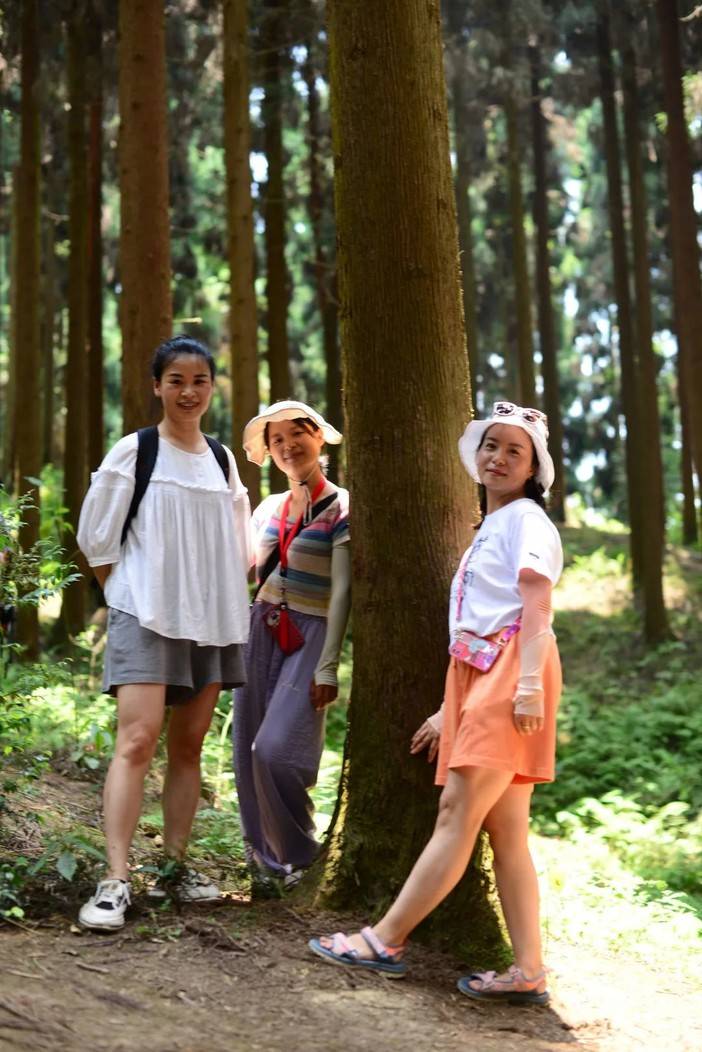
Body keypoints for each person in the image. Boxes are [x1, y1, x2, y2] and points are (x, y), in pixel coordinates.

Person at [308, 400, 563, 1005]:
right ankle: (528, 970)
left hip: (513, 670)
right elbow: (486, 616)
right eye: (491, 446)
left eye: (515, 451)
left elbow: (535, 605)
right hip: (485, 673)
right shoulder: (494, 524)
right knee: (506, 830)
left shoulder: (528, 521)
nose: (499, 458)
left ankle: (383, 940)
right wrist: (452, 709)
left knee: (456, 812)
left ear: (533, 468)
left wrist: (527, 687)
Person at [76, 335, 251, 930]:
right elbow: (97, 537)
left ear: (212, 388)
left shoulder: (222, 460)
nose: (188, 391)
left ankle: (174, 868)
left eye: (199, 381)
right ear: (157, 386)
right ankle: (115, 880)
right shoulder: (137, 450)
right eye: (176, 380)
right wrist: (126, 594)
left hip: (210, 618)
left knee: (189, 745)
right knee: (137, 740)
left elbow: (236, 545)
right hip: (145, 612)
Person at [233, 400, 350, 894]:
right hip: (260, 628)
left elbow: (343, 590)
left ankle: (299, 853)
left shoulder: (342, 506)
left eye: (295, 434)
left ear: (317, 436)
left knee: (276, 749)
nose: (287, 446)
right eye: (276, 440)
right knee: (246, 751)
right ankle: (263, 863)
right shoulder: (269, 509)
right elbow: (238, 568)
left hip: (310, 631)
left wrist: (328, 665)